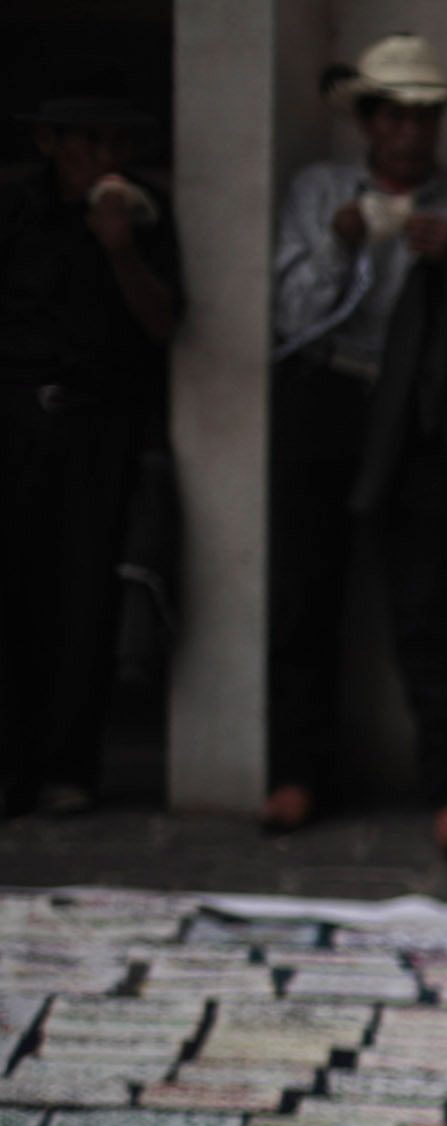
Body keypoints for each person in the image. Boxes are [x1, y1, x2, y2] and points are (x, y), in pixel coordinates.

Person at [267, 34, 447, 855]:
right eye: (397, 119)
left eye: (426, 118)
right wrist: (342, 242)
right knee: (307, 588)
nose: (412, 135)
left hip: (420, 415)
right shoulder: (320, 192)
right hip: (329, 393)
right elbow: (291, 316)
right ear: (370, 123)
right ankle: (297, 773)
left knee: (428, 602)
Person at [0, 90, 179, 819]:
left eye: (119, 145)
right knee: (15, 594)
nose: (108, 160)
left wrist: (121, 250)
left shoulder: (144, 212)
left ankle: (71, 767)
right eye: (92, 142)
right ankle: (11, 765)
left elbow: (166, 321)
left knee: (87, 597)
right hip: (15, 420)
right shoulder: (14, 211)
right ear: (50, 140)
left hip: (101, 423)